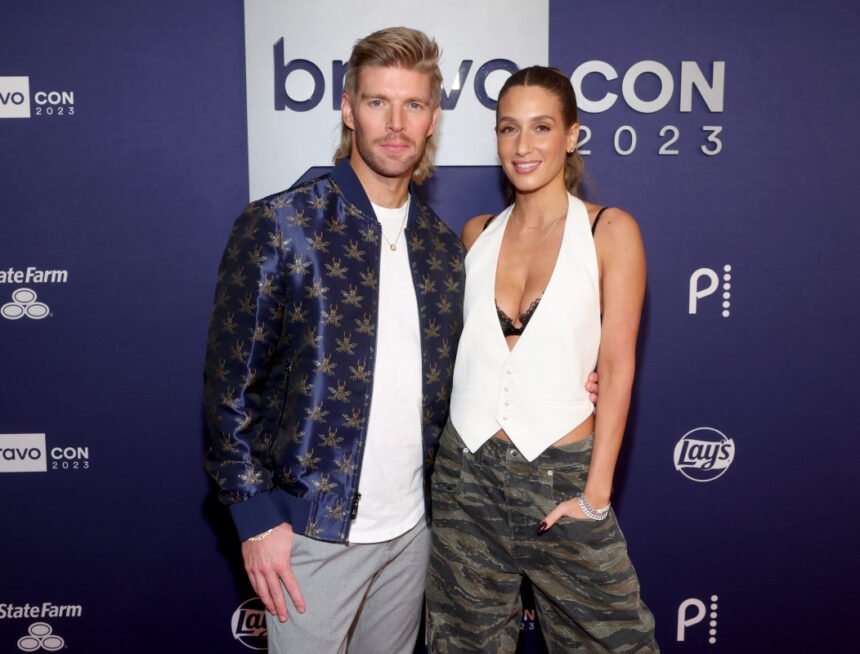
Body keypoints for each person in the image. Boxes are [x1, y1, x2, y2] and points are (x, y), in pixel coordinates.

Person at [202, 27, 463, 654]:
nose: (396, 123)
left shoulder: (441, 247)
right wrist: (254, 518)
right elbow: (229, 389)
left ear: (432, 119)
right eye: (377, 102)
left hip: (413, 534)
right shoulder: (280, 225)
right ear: (349, 110)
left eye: (413, 104)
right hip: (310, 533)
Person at [426, 66, 658, 653]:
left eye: (541, 127)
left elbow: (618, 365)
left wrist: (596, 495)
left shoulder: (610, 230)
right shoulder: (476, 234)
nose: (523, 146)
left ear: (572, 135)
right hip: (465, 477)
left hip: (563, 475)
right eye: (509, 128)